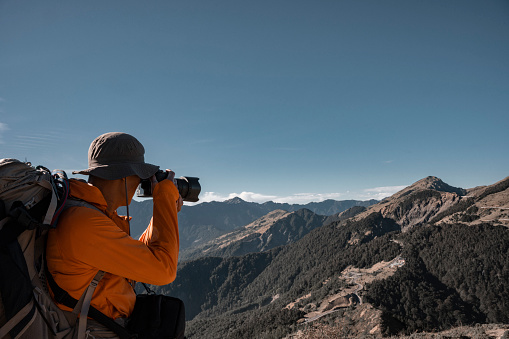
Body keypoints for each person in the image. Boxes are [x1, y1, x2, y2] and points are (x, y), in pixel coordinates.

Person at [46, 132, 183, 334]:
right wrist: (164, 197)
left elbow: (140, 256)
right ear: (125, 176)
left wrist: (165, 209)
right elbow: (164, 270)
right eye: (140, 175)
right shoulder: (83, 223)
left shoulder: (93, 214)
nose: (141, 182)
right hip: (91, 331)